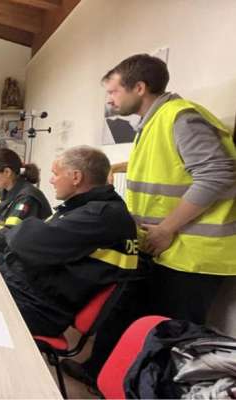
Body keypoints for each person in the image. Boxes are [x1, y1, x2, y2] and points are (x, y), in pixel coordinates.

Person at [64, 54, 236, 387]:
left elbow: (216, 174)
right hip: (164, 249)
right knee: (129, 315)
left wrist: (167, 228)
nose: (110, 100)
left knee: (168, 337)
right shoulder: (152, 123)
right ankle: (102, 377)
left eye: (113, 92)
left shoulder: (180, 118)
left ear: (139, 87)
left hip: (193, 255)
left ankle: (145, 390)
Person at [0, 146, 139, 337]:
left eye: (55, 174)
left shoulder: (99, 215)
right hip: (31, 291)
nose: (51, 180)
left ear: (76, 177)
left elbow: (26, 241)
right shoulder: (89, 208)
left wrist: (23, 230)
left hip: (40, 307)